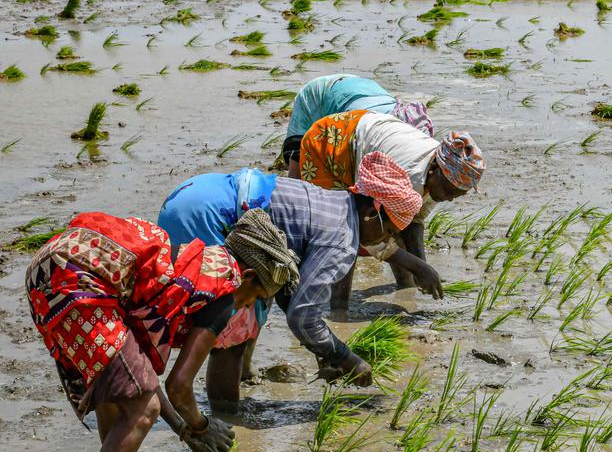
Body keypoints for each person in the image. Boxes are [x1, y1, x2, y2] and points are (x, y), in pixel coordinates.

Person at [26, 209, 298, 452]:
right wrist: (202, 427)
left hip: (49, 267)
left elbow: (144, 381)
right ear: (247, 277)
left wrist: (184, 431)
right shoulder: (224, 290)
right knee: (142, 409)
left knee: (122, 388)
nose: (249, 305)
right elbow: (178, 387)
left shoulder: (192, 266)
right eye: (257, 296)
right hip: (79, 278)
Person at [158, 156, 427, 411]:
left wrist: (322, 350)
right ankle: (225, 418)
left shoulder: (336, 201)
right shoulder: (341, 240)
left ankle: (224, 394)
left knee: (248, 304)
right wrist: (348, 359)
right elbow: (303, 316)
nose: (386, 238)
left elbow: (291, 289)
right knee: (233, 326)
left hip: (194, 193)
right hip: (211, 217)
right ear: (371, 213)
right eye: (389, 230)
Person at [298, 109, 485, 306]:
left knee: (394, 224)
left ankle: (406, 289)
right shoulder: (408, 176)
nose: (448, 199)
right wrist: (419, 268)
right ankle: (338, 308)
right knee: (345, 231)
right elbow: (368, 233)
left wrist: (420, 264)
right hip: (330, 143)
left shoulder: (441, 175)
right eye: (448, 192)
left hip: (366, 133)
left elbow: (414, 219)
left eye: (455, 196)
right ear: (435, 169)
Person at [280, 73, 435, 177]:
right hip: (322, 92)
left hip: (364, 88)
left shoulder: (414, 143)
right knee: (299, 159)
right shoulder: (367, 134)